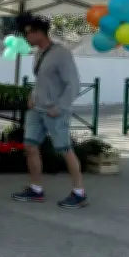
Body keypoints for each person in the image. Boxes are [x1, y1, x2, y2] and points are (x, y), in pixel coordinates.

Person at [11, 15, 85, 209]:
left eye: (28, 33)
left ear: (39, 33)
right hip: (37, 108)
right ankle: (36, 189)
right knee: (30, 146)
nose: (26, 37)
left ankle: (79, 192)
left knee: (64, 149)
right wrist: (33, 95)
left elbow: (74, 84)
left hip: (55, 110)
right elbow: (43, 80)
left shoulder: (61, 54)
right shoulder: (37, 53)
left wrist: (60, 107)